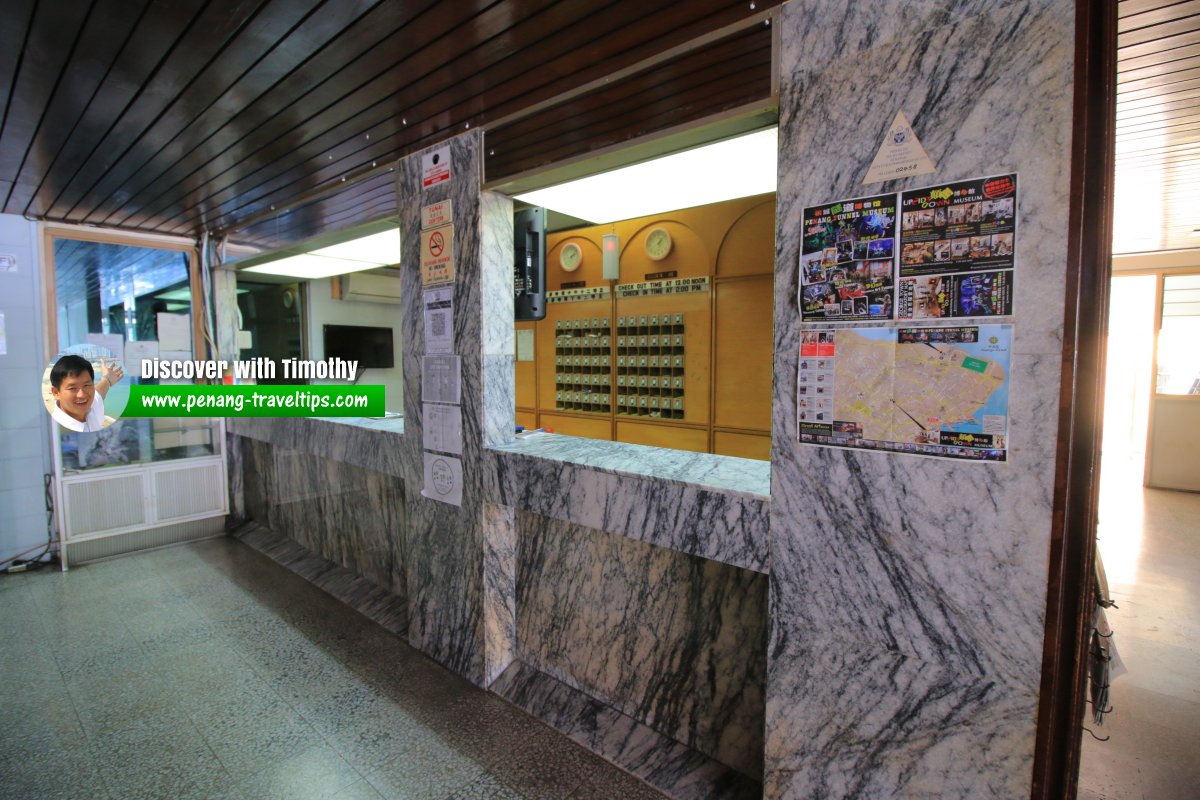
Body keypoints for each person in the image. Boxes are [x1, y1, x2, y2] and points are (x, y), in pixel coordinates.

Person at [49, 354, 124, 432]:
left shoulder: (91, 408)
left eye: (87, 385)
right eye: (72, 388)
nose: (82, 395)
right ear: (56, 393)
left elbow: (98, 393)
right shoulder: (56, 431)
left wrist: (107, 378)